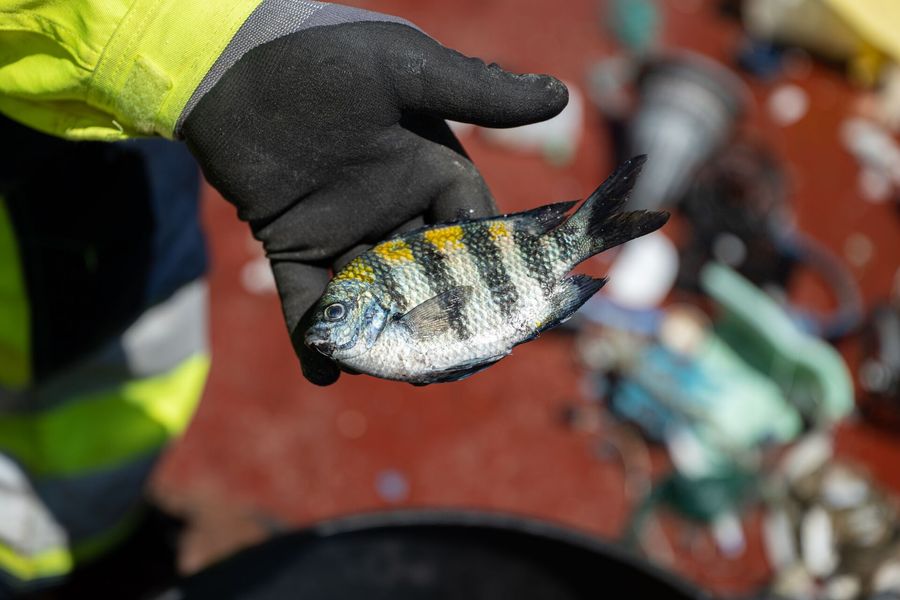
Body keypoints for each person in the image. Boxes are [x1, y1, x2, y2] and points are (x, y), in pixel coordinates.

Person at [0, 0, 568, 595]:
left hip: (125, 100)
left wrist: (202, 45)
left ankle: (98, 536)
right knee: (50, 359)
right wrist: (191, 35)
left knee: (133, 331)